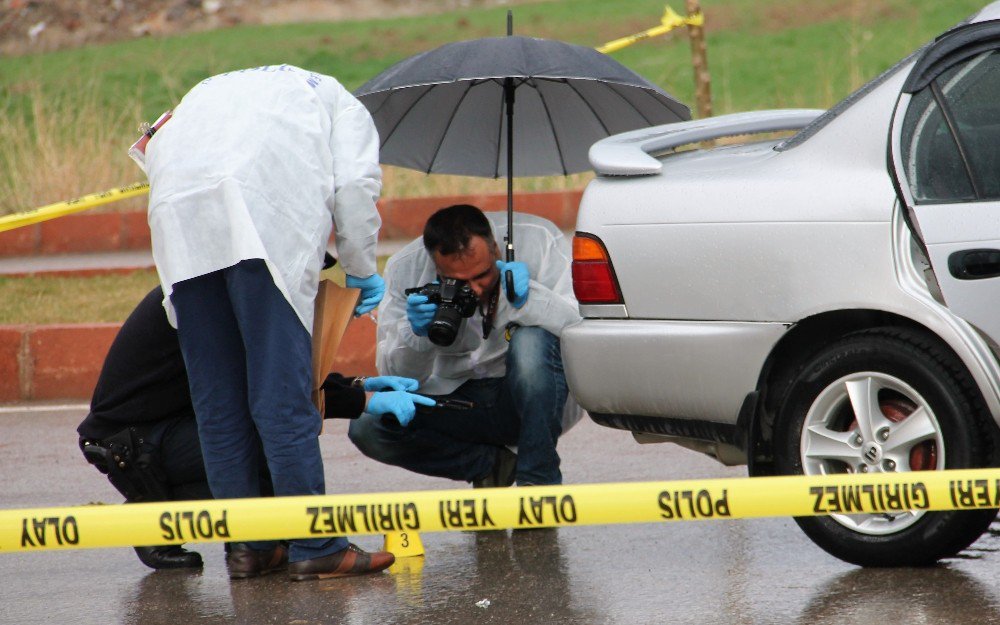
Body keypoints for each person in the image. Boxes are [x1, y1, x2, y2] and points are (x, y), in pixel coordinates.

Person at [144, 64, 393, 581]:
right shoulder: (343, 103)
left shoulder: (209, 88)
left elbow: (153, 146)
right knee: (281, 399)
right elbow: (353, 188)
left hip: (181, 219)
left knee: (220, 402)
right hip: (261, 223)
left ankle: (250, 547)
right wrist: (363, 266)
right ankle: (316, 544)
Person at [78, 287, 433, 573]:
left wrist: (360, 386)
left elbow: (267, 375)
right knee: (270, 437)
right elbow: (274, 390)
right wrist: (361, 399)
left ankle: (256, 548)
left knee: (259, 434)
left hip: (157, 428)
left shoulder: (218, 284)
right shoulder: (228, 296)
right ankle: (155, 515)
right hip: (134, 444)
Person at [349, 204, 582, 487]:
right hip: (453, 400)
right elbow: (399, 380)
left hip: (526, 399)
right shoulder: (405, 269)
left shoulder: (540, 241)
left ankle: (538, 484)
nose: (476, 290)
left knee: (532, 340)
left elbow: (578, 330)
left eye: (482, 275)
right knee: (367, 425)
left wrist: (531, 300)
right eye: (459, 282)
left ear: (495, 248)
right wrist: (417, 335)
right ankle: (489, 465)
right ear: (434, 264)